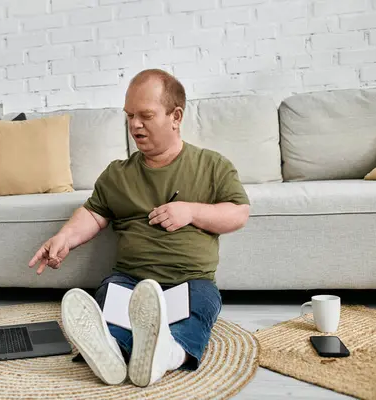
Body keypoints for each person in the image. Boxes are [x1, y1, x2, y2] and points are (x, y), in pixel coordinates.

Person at [28, 69, 250, 387]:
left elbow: (238, 213)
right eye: (129, 115)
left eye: (145, 115)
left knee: (199, 309)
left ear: (175, 117)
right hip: (130, 281)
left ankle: (166, 353)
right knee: (110, 300)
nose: (134, 125)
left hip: (189, 282)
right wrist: (64, 237)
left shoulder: (212, 166)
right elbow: (93, 214)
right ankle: (112, 352)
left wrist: (191, 211)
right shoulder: (117, 175)